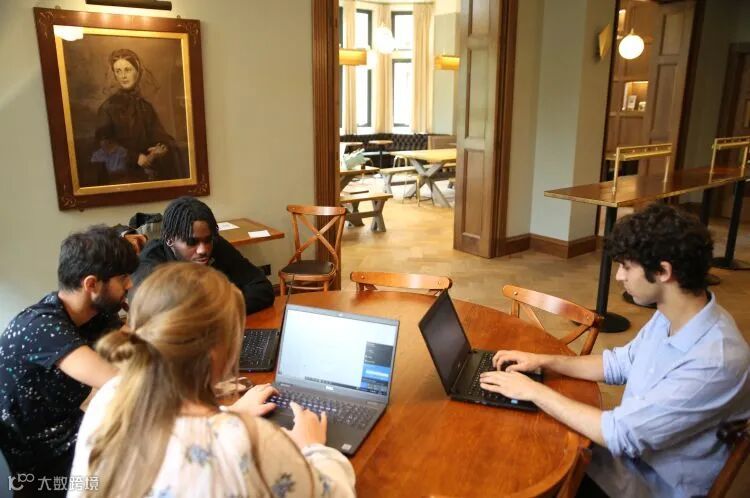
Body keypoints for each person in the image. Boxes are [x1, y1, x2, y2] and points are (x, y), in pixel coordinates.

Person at [479, 203, 750, 498]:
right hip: (622, 457)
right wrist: (543, 361)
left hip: (648, 485)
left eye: (627, 267)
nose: (619, 276)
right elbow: (619, 363)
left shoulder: (715, 361)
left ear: (663, 271)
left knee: (516, 464)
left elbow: (622, 435)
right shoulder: (673, 313)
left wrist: (533, 391)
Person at [68, 263, 355, 497]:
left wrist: (230, 412)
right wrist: (313, 447)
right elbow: (335, 493)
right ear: (219, 352)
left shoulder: (109, 398)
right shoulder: (248, 442)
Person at [0, 226, 138, 496]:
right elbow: (119, 382)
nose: (130, 285)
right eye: (123, 277)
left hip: (70, 438)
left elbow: (137, 345)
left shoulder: (92, 316)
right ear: (91, 284)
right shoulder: (41, 327)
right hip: (38, 475)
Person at [132, 196, 274, 314]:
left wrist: (220, 309)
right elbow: (151, 316)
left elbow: (262, 288)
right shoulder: (150, 265)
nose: (203, 250)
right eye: (191, 242)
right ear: (169, 239)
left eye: (208, 240)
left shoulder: (216, 244)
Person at [92, 48, 182, 185]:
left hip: (148, 172)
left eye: (127, 70)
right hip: (119, 175)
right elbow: (105, 143)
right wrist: (135, 158)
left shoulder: (146, 107)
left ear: (137, 72)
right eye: (118, 71)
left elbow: (158, 135)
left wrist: (161, 147)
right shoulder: (107, 107)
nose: (123, 76)